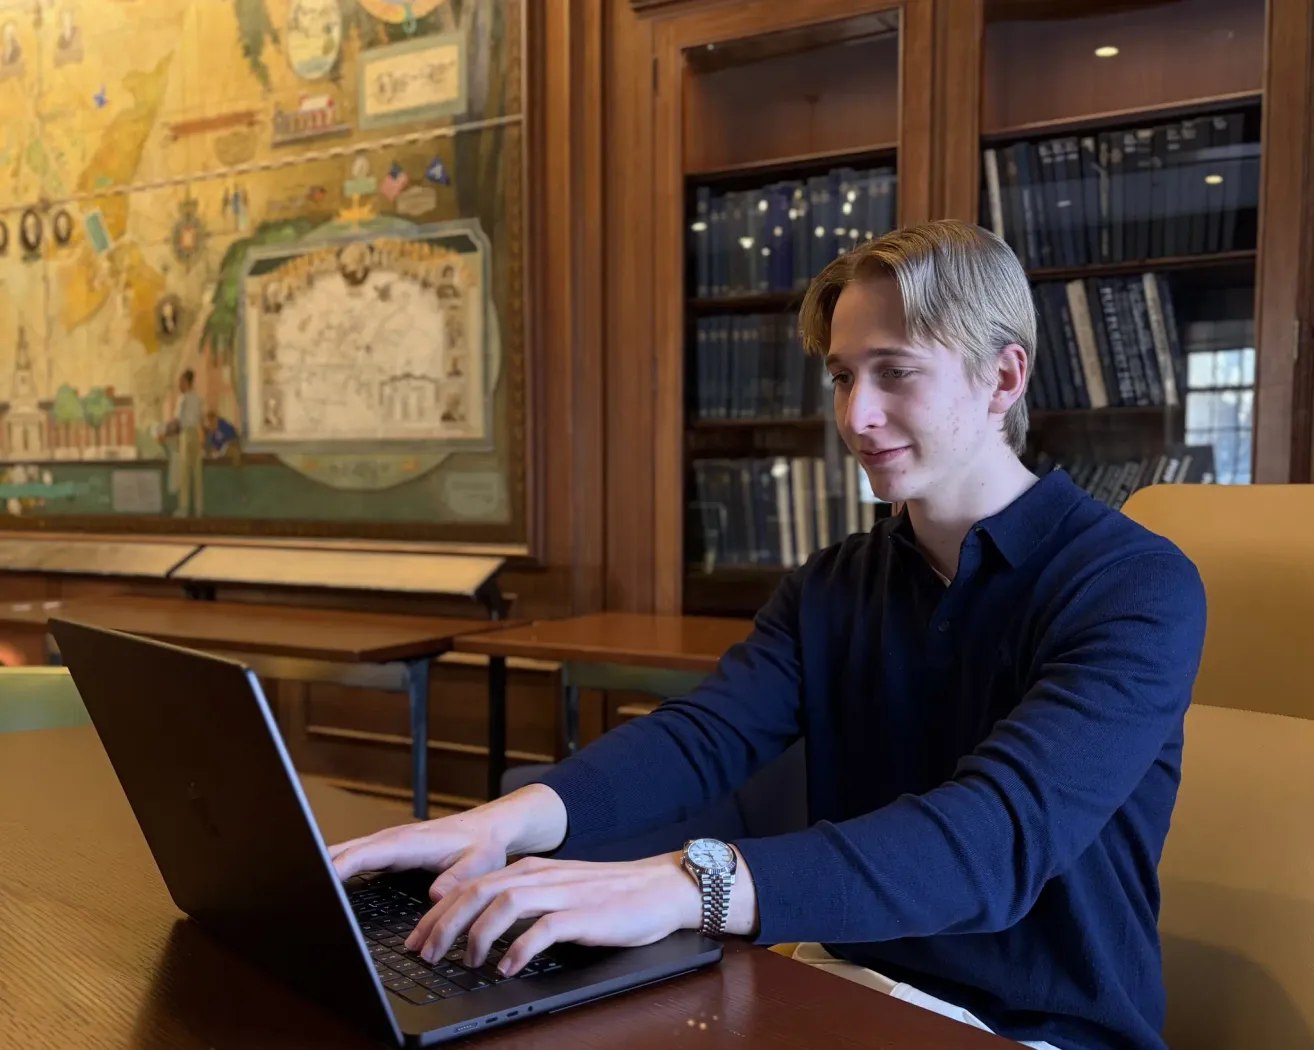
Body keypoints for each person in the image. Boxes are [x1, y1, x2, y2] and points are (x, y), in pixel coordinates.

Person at [330, 221, 1206, 1050]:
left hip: (1036, 1027)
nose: (856, 415)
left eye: (895, 372)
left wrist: (688, 884)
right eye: (841, 376)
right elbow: (702, 736)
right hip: (845, 984)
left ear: (1004, 380)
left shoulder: (1133, 586)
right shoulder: (834, 583)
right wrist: (504, 824)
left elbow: (992, 841)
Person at [159, 370, 204, 517]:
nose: (180, 385)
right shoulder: (198, 399)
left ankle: (184, 508)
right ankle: (198, 509)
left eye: (182, 381)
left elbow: (177, 421)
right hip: (196, 435)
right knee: (197, 472)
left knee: (184, 473)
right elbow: (200, 419)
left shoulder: (182, 399)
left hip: (185, 435)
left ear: (188, 382)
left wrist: (163, 430)